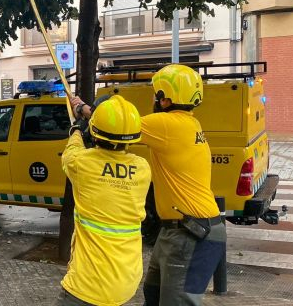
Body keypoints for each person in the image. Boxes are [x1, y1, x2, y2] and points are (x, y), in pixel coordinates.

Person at [71, 64, 225, 306]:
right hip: (179, 231)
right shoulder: (189, 123)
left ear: (165, 98)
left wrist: (81, 109)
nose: (154, 97)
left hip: (192, 234)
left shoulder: (167, 124)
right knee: (152, 297)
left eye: (156, 93)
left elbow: (116, 126)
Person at [59, 95, 151, 306]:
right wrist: (85, 110)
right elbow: (117, 127)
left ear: (95, 132)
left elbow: (72, 150)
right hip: (126, 283)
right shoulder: (142, 169)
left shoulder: (82, 163)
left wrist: (76, 128)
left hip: (87, 286)